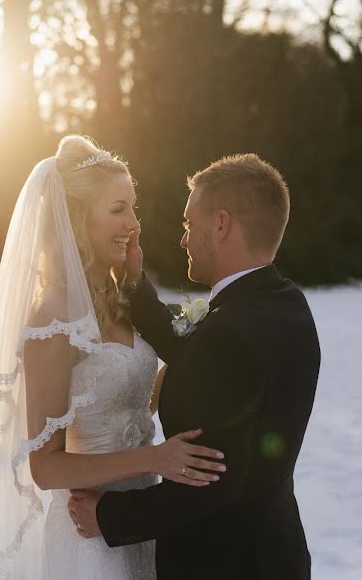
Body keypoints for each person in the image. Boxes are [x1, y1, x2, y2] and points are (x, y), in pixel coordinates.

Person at [0, 135, 222, 580]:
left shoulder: (120, 297)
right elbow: (45, 465)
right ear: (77, 219)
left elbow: (128, 403)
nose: (133, 224)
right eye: (117, 209)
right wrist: (154, 459)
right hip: (89, 536)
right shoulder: (53, 314)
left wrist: (193, 350)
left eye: (133, 208)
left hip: (139, 516)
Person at [68, 153, 321, 579]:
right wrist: (133, 284)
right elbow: (201, 348)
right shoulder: (284, 304)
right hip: (277, 554)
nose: (184, 240)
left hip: (222, 564)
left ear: (221, 225)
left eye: (189, 225)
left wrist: (108, 516)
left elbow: (211, 483)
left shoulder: (229, 335)